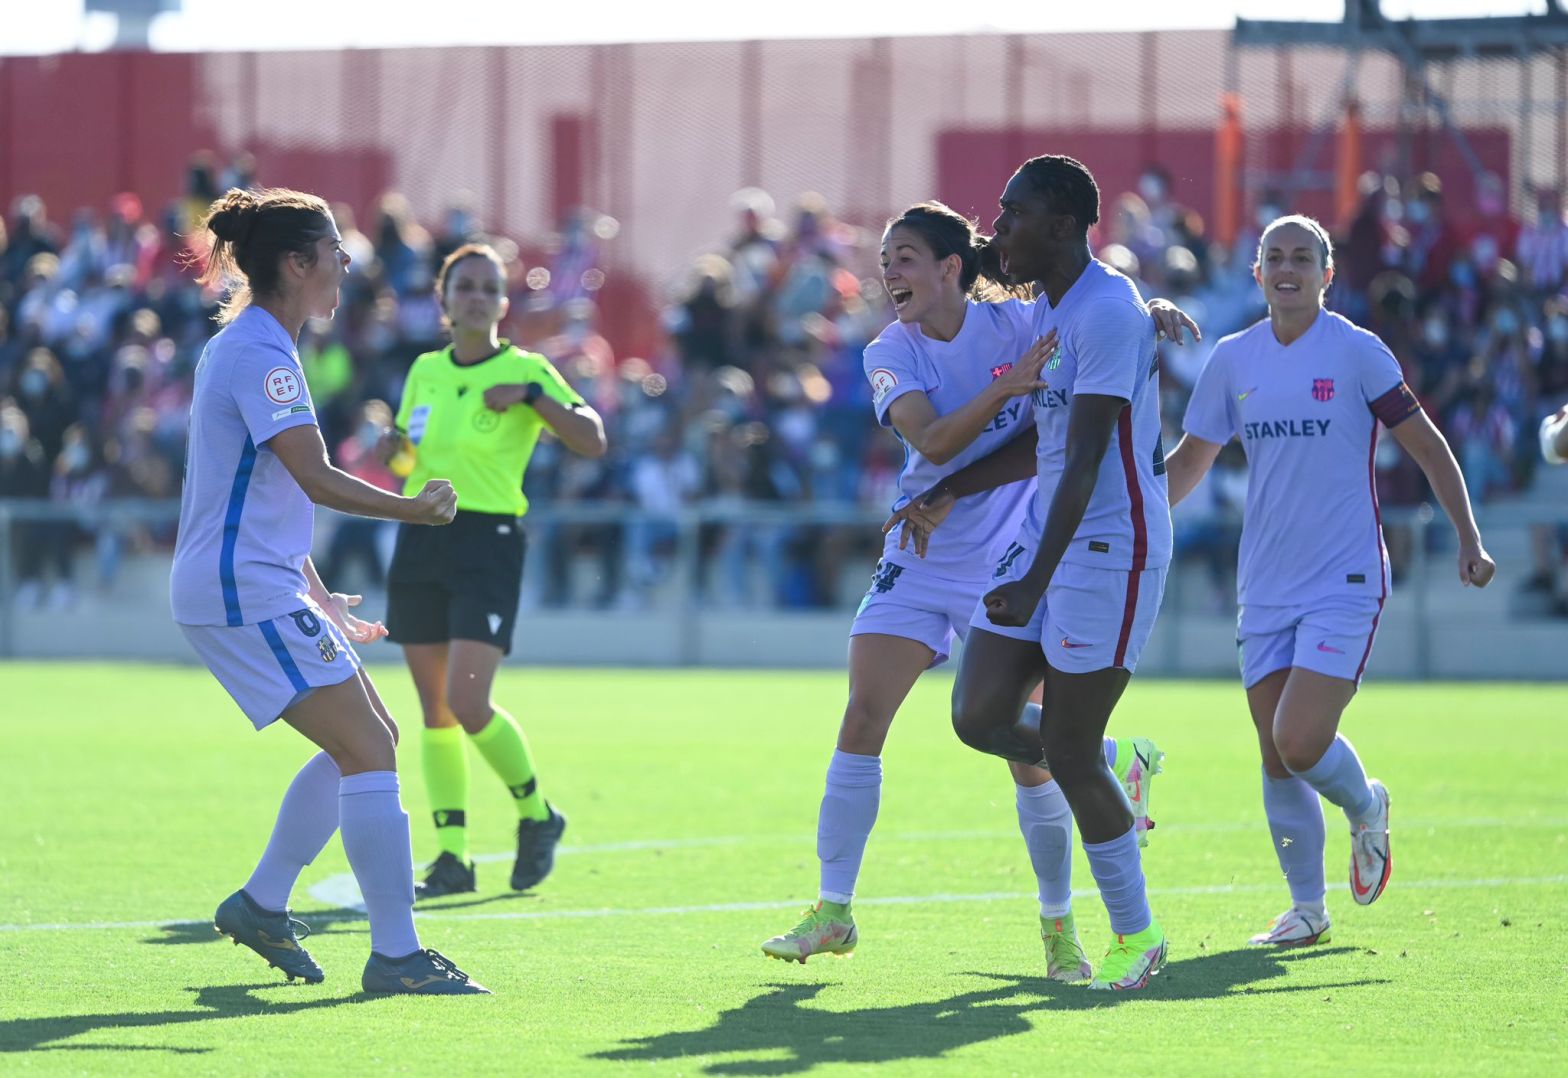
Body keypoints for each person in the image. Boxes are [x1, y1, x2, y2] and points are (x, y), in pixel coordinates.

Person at [761, 201, 1192, 978]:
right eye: (884, 261)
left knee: (1025, 754)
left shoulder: (1021, 323)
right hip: (923, 548)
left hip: (1011, 554)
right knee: (863, 713)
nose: (888, 273)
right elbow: (932, 440)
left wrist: (1143, 312)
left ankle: (1059, 928)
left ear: (950, 267)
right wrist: (1006, 389)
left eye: (904, 258)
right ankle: (833, 911)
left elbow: (1086, 337)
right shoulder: (891, 349)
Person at [169, 187, 487, 995]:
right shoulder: (259, 352)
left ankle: (262, 904)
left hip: (256, 582)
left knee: (371, 738)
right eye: (334, 250)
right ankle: (396, 957)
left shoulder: (259, 345)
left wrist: (317, 591)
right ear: (295, 263)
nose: (346, 263)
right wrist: (413, 507)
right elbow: (312, 476)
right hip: (242, 589)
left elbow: (265, 491)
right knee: (369, 748)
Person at [1162, 214, 1495, 947]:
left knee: (1300, 738)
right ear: (1256, 273)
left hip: (1345, 577)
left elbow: (1427, 446)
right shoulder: (1232, 359)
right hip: (1264, 582)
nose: (1288, 269)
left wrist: (1469, 537)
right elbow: (1190, 461)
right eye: (1274, 257)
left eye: (1302, 258)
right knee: (1275, 752)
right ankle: (1307, 908)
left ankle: (1366, 804)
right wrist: (1130, 512)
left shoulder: (1357, 352)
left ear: (1326, 273)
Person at [888, 156, 1178, 990]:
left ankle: (1138, 935)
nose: (998, 228)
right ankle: (1122, 759)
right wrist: (950, 488)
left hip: (1109, 549)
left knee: (1067, 750)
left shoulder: (1107, 313)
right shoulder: (1053, 302)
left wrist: (1034, 577)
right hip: (1047, 539)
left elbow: (1085, 460)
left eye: (1013, 214)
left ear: (1062, 226)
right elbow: (1045, 443)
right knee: (978, 715)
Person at [381, 242, 607, 899]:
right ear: (444, 301)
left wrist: (534, 397)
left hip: (487, 542)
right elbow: (409, 462)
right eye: (465, 287)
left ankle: (537, 814)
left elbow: (592, 439)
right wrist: (393, 452)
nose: (476, 297)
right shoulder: (424, 369)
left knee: (468, 700)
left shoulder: (526, 370)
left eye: (488, 287)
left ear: (504, 304)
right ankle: (452, 856)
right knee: (434, 710)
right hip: (422, 534)